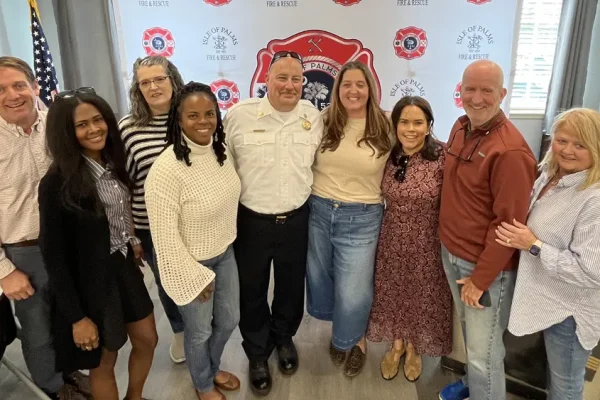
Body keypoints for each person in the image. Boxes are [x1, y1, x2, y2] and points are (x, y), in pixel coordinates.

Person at [39, 88, 157, 400]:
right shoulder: (56, 182)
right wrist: (77, 318)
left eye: (98, 119)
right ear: (66, 132)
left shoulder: (111, 161)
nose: (94, 129)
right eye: (82, 125)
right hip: (89, 283)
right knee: (104, 360)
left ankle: (134, 397)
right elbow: (54, 257)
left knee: (147, 339)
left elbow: (119, 210)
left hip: (122, 265)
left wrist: (131, 239)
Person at [224, 51, 323, 396]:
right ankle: (256, 352)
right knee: (250, 290)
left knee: (291, 287)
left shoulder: (315, 118)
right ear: (267, 79)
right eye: (282, 77)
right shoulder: (238, 116)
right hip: (251, 221)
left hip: (296, 219)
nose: (290, 85)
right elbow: (224, 167)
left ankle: (284, 338)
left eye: (297, 79)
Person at [437, 60, 537, 400]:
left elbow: (509, 226)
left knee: (484, 352)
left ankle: (484, 390)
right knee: (472, 340)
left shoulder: (509, 151)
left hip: (483, 269)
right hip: (452, 253)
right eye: (470, 89)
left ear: (502, 94)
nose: (476, 98)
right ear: (460, 90)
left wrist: (481, 278)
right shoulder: (460, 126)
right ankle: (472, 386)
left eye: (486, 91)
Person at [145, 82, 241, 400]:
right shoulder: (166, 170)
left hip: (224, 253)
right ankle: (202, 383)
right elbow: (163, 237)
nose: (203, 121)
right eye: (193, 115)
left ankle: (211, 369)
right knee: (198, 332)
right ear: (179, 119)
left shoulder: (220, 152)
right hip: (190, 262)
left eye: (209, 113)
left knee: (229, 320)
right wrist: (193, 276)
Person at [0, 56, 89, 400]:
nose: (12, 95)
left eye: (20, 85)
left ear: (36, 86)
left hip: (68, 243)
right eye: (2, 89)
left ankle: (70, 372)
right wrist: (4, 271)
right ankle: (52, 387)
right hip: (23, 252)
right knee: (37, 330)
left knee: (70, 315)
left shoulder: (60, 125)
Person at [497, 108, 600, 400]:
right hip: (542, 297)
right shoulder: (549, 176)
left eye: (580, 145)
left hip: (569, 312)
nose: (567, 150)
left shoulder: (594, 198)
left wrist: (534, 244)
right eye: (561, 140)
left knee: (565, 387)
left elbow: (591, 272)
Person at [306, 61, 392, 377]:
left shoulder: (385, 124)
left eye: (360, 84)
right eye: (346, 84)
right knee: (322, 277)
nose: (353, 91)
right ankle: (341, 332)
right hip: (319, 210)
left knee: (354, 288)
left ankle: (355, 341)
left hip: (363, 214)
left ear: (370, 89)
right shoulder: (323, 120)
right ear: (337, 89)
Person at [367, 96, 452, 382]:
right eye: (404, 122)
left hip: (429, 241)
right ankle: (396, 345)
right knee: (393, 295)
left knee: (421, 297)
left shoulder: (443, 156)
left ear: (429, 126)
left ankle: (414, 347)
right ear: (396, 125)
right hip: (391, 239)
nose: (411, 129)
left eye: (418, 122)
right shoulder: (389, 155)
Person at [119, 55, 187, 363]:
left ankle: (203, 331)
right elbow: (123, 188)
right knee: (169, 283)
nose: (153, 87)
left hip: (194, 222)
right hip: (152, 228)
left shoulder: (194, 116)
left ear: (172, 79)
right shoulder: (128, 129)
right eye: (144, 82)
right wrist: (131, 237)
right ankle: (181, 331)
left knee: (201, 280)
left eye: (159, 79)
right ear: (137, 89)